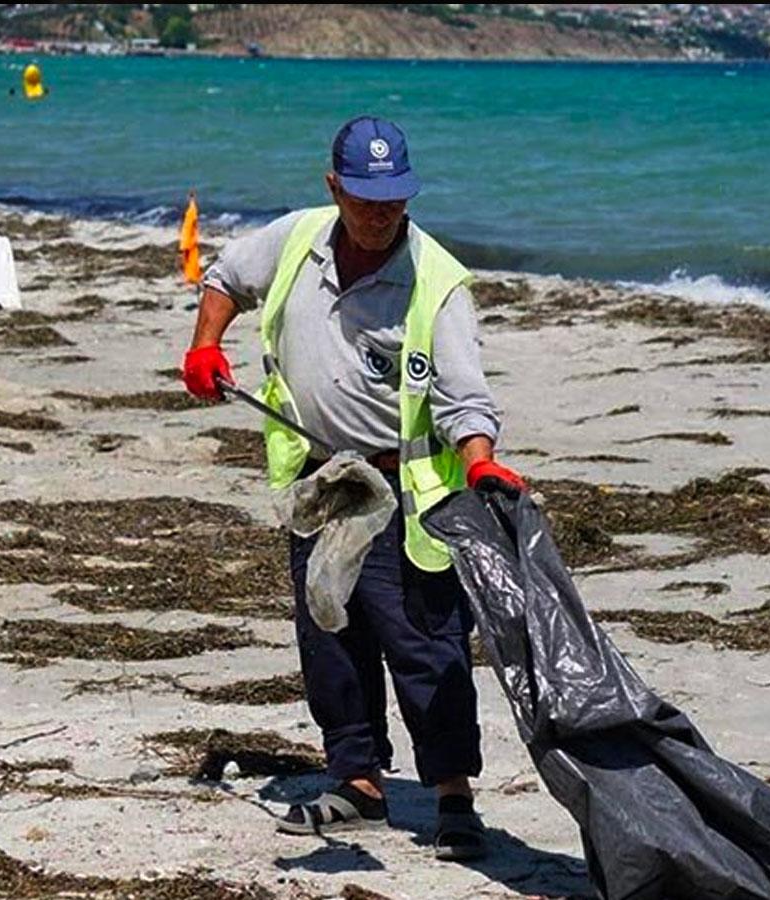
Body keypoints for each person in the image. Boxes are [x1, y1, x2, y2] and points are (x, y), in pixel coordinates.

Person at [181, 115, 524, 860]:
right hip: (319, 483)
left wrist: (480, 460)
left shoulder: (437, 283)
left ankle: (453, 795)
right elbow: (225, 278)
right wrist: (206, 346)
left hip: (404, 491)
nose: (380, 214)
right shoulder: (296, 239)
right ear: (334, 186)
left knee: (426, 643)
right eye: (365, 199)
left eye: (394, 200)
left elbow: (464, 396)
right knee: (328, 631)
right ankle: (357, 782)